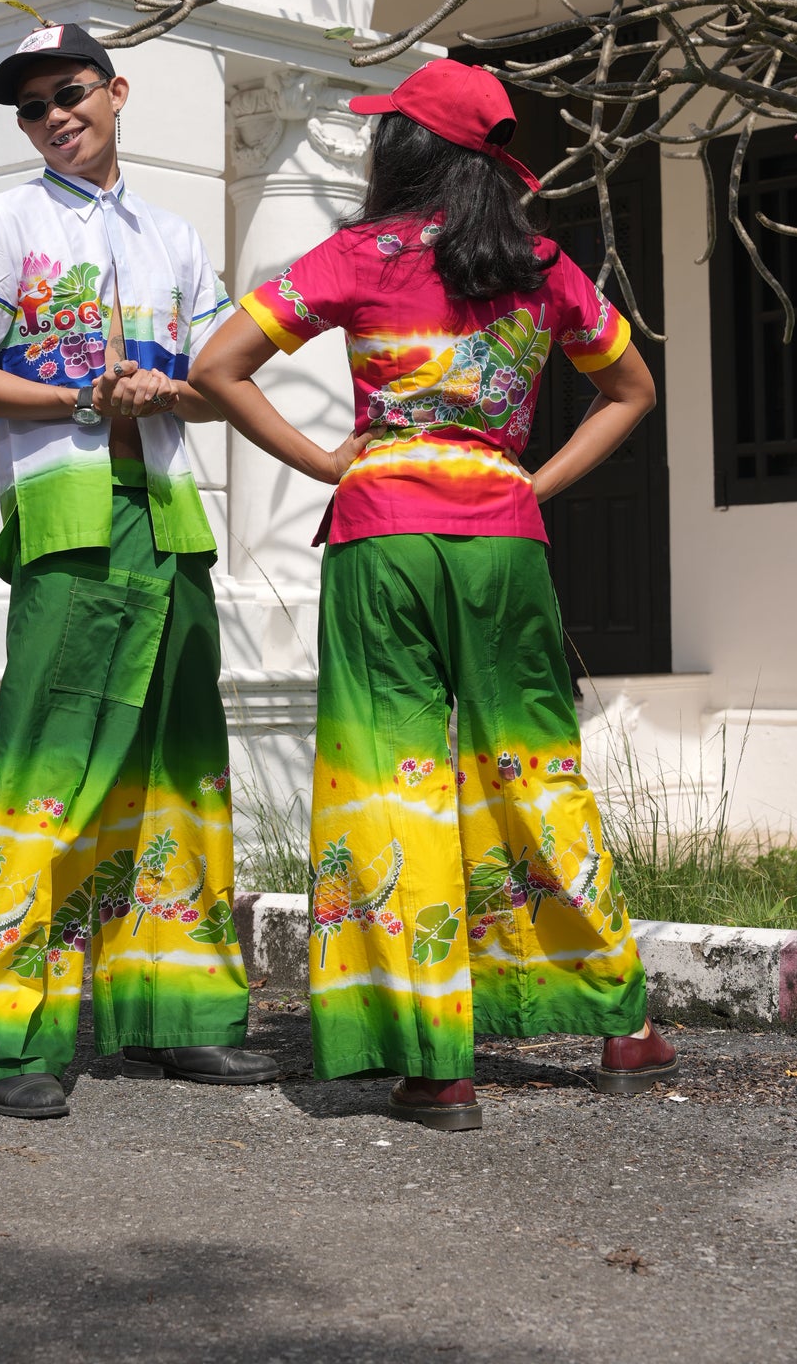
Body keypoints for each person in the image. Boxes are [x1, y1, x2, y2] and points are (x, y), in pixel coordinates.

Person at [191, 58, 677, 1132]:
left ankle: (434, 1060)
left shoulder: (353, 256)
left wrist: (331, 464)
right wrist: (526, 481)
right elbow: (629, 388)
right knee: (533, 772)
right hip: (502, 542)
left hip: (382, 537)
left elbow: (219, 365)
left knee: (391, 782)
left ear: (401, 151)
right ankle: (623, 1027)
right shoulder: (540, 261)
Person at [0, 18, 277, 1119]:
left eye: (69, 91)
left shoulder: (173, 238)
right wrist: (81, 398)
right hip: (70, 529)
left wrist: (165, 392)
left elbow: (219, 374)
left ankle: (179, 1017)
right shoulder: (0, 221)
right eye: (29, 107)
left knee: (178, 770)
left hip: (170, 524)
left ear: (116, 92)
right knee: (53, 769)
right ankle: (7, 1040)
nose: (52, 116)